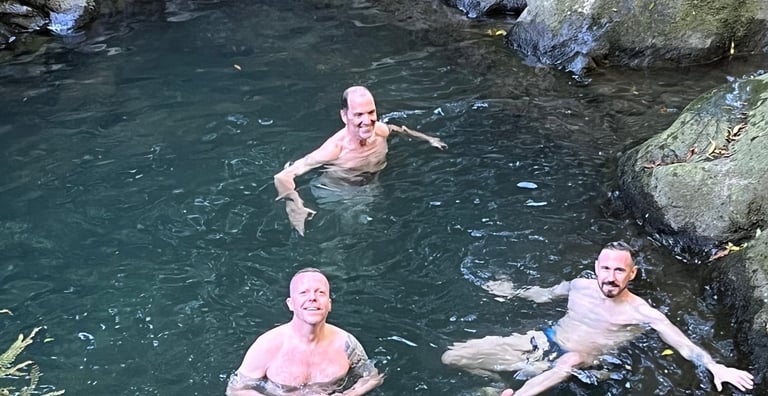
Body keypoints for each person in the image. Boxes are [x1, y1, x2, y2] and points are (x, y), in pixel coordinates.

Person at [441, 241, 754, 396]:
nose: (611, 277)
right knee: (452, 357)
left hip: (583, 364)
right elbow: (545, 293)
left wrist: (715, 366)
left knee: (574, 358)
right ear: (597, 267)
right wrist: (512, 291)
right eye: (606, 269)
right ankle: (498, 384)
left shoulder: (641, 312)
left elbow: (682, 343)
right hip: (543, 342)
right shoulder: (580, 286)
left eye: (620, 271)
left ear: (632, 274)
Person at [274, 86, 447, 235]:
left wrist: (427, 139)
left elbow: (396, 129)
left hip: (372, 183)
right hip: (340, 193)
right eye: (358, 115)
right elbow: (282, 176)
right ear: (344, 116)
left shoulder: (379, 130)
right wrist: (293, 204)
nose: (367, 121)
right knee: (355, 231)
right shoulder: (334, 149)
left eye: (371, 112)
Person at [227, 268, 384, 396]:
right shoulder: (267, 345)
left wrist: (349, 395)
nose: (312, 298)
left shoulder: (346, 344)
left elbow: (372, 377)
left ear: (329, 304)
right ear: (290, 304)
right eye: (303, 292)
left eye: (320, 292)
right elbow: (235, 389)